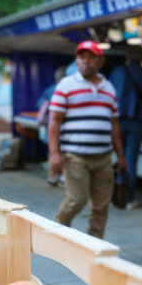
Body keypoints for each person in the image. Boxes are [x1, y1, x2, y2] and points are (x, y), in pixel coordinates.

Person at [49, 40, 127, 239]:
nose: (85, 61)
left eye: (90, 57)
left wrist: (120, 154)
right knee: (77, 200)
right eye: (81, 57)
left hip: (104, 157)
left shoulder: (109, 87)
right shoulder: (66, 85)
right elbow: (54, 122)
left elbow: (114, 124)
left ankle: (95, 243)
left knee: (101, 205)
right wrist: (54, 154)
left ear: (100, 60)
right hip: (75, 156)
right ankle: (58, 232)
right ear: (76, 61)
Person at [109, 46, 142, 209]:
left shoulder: (117, 71)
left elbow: (109, 95)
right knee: (131, 160)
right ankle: (128, 199)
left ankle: (114, 195)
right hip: (138, 122)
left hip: (117, 121)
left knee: (117, 157)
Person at [36, 66, 67, 186]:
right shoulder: (66, 89)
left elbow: (41, 104)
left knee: (52, 152)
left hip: (50, 127)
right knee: (63, 152)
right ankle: (63, 175)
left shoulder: (49, 89)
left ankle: (51, 176)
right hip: (63, 127)